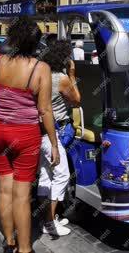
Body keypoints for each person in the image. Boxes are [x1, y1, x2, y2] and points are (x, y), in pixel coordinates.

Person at [0, 17, 58, 253]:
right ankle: (25, 249)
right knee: (22, 195)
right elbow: (44, 110)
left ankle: (9, 242)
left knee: (4, 188)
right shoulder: (40, 68)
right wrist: (53, 143)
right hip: (24, 133)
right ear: (36, 43)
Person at [38, 40, 81, 237]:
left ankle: (47, 218)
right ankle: (49, 223)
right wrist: (72, 74)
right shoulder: (62, 78)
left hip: (39, 131)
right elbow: (76, 100)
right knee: (62, 174)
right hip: (55, 131)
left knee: (46, 175)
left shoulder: (41, 74)